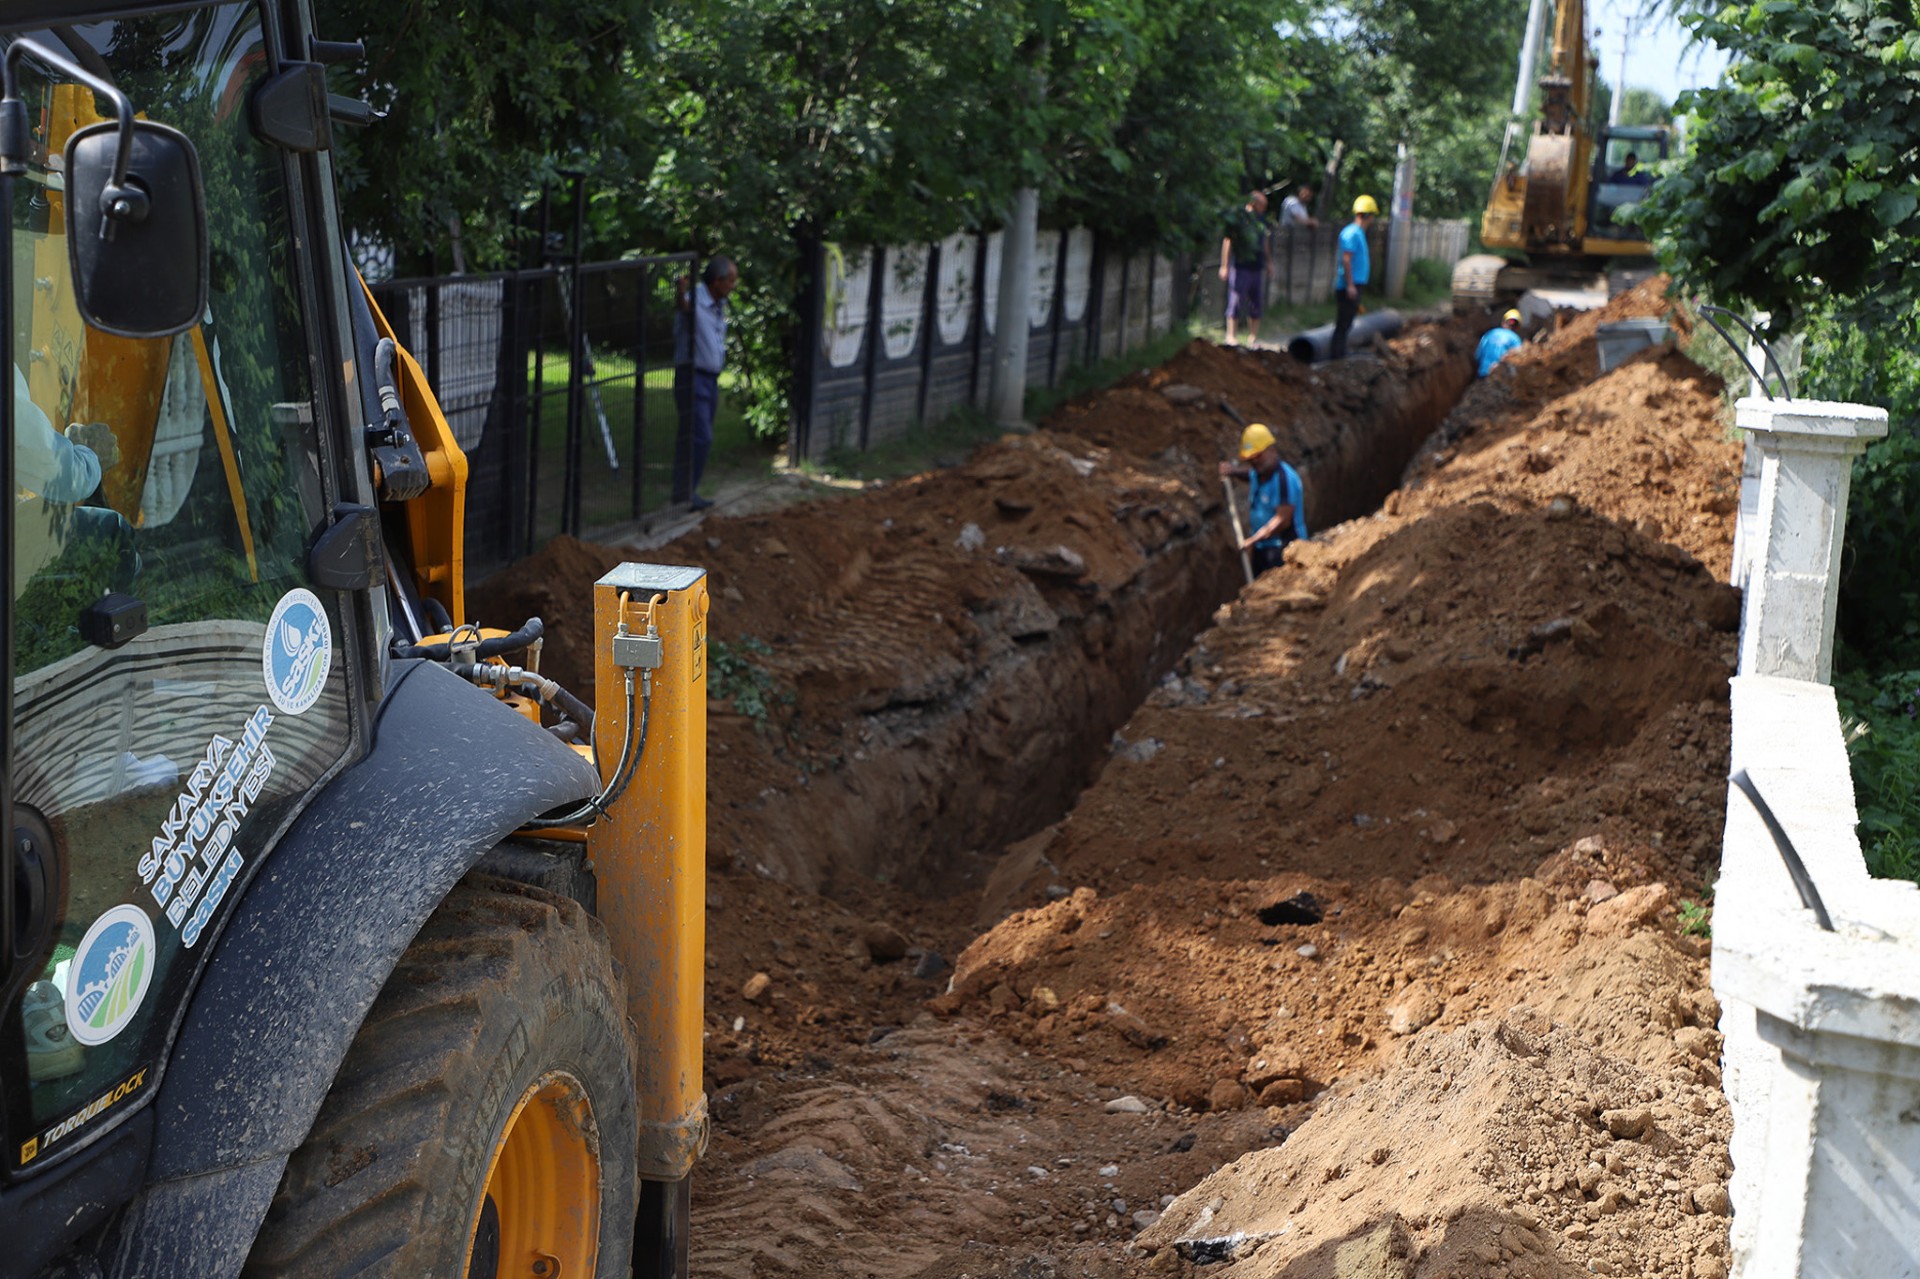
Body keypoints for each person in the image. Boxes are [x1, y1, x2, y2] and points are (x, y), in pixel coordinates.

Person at [673, 254, 739, 510]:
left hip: (709, 379)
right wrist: (680, 292)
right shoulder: (695, 300)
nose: (733, 286)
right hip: (693, 377)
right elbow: (684, 307)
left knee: (695, 436)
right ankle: (684, 493)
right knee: (700, 437)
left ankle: (685, 492)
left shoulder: (717, 303)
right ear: (717, 281)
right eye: (730, 281)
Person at [1218, 422, 1307, 576]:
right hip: (1262, 548)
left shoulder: (1285, 480)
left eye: (1258, 456)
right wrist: (1232, 471)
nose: (1255, 462)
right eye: (1250, 459)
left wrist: (1253, 539)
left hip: (1284, 549)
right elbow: (1250, 474)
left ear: (1272, 450)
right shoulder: (1258, 472)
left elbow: (1283, 519)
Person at [1218, 191, 1271, 345]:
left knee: (1256, 302)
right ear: (1254, 203)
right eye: (1263, 205)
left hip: (1257, 267)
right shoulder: (1240, 219)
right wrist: (1224, 266)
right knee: (1235, 300)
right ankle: (1231, 336)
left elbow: (1265, 243)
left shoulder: (1262, 220)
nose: (1264, 208)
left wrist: (1269, 262)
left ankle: (1253, 337)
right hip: (1240, 266)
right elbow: (1228, 242)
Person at [1331, 195, 1377, 359]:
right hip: (1348, 286)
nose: (1372, 219)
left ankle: (1339, 354)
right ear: (1367, 215)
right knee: (1343, 323)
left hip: (1354, 284)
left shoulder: (1358, 233)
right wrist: (1350, 285)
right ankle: (1337, 356)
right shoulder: (1352, 233)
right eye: (1372, 215)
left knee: (1347, 322)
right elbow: (1346, 260)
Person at [1475, 309, 1524, 377]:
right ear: (1517, 327)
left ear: (1503, 322)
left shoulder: (1490, 333)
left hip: (1482, 373)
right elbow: (1518, 359)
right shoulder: (1515, 339)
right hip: (1498, 378)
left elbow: (1478, 354)